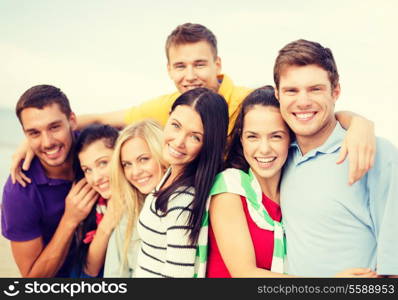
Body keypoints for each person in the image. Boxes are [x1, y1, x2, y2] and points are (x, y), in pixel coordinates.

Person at [11, 23, 376, 186]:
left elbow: (304, 112)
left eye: (200, 64)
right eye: (180, 66)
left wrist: (359, 123)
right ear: (168, 69)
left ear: (218, 64)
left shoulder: (251, 101)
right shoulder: (171, 107)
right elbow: (102, 118)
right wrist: (35, 139)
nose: (191, 75)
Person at [207, 86, 376, 278]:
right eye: (252, 137)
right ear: (242, 139)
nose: (264, 149)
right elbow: (244, 274)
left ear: (291, 138)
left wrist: (360, 124)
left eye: (276, 136)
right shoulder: (230, 187)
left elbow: (326, 119)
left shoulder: (293, 184)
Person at [273, 39, 398, 277]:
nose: (303, 101)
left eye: (315, 89)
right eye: (291, 90)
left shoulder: (376, 153)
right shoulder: (278, 156)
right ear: (277, 94)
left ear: (336, 91)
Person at [1, 85, 97, 277]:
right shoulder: (20, 191)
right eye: (34, 133)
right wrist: (69, 220)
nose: (47, 142)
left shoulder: (96, 149)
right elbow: (32, 281)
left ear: (72, 121)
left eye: (54, 127)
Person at [134, 87, 228, 278]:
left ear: (208, 145)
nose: (178, 142)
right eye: (175, 125)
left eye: (195, 137)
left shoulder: (183, 202)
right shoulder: (171, 174)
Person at [104, 120, 167, 277]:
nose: (135, 172)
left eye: (143, 159)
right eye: (127, 164)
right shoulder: (129, 214)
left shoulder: (190, 201)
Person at [72, 124, 119, 277]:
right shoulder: (96, 206)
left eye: (103, 163)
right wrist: (107, 223)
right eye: (87, 170)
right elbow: (89, 271)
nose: (95, 178)